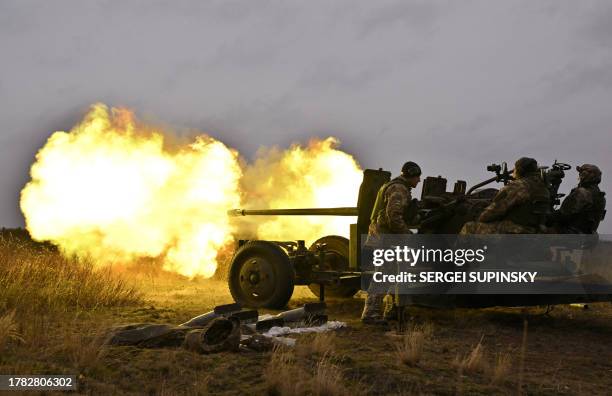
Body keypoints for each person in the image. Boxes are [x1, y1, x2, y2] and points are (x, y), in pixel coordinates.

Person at [361, 161, 421, 324]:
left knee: (393, 273)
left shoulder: (397, 187)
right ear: (410, 175)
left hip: (387, 237)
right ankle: (371, 314)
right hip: (386, 238)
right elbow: (393, 217)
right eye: (417, 177)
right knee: (384, 274)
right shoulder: (398, 189)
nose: (419, 180)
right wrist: (408, 234)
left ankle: (390, 310)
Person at [460, 157, 550, 234]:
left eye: (515, 169)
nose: (513, 171)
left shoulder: (517, 186)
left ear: (520, 170)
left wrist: (480, 217)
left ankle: (459, 254)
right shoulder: (544, 188)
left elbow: (494, 211)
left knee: (469, 227)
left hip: (515, 231)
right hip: (534, 230)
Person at [552, 164, 606, 234]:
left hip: (571, 235)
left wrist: (547, 216)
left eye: (582, 174)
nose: (580, 176)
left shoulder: (582, 193)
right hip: (589, 237)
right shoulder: (600, 197)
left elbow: (563, 215)